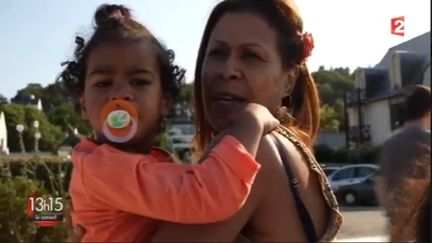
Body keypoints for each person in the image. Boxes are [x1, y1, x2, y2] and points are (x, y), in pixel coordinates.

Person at [68, 0, 343, 242]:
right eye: (218, 53)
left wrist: (251, 120)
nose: (228, 70)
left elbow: (207, 193)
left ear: (288, 81)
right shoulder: (282, 148)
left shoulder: (252, 151)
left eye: (251, 56)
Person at [374, 84, 431, 242]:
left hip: (399, 226)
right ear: (428, 111)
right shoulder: (428, 141)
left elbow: (380, 182)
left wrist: (391, 212)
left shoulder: (391, 143)